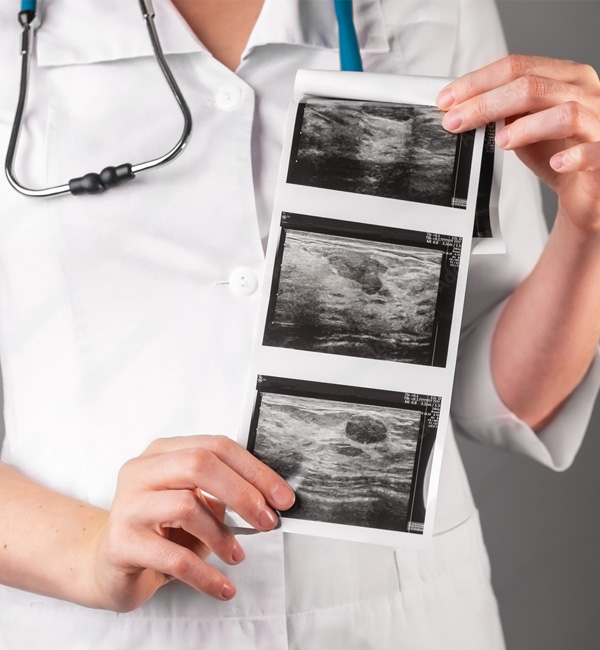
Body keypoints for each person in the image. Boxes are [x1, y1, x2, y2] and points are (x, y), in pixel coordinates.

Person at [0, 0, 599, 648]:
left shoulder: (435, 8)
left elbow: (499, 393)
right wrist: (89, 553)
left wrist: (588, 229)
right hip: (104, 625)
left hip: (400, 619)